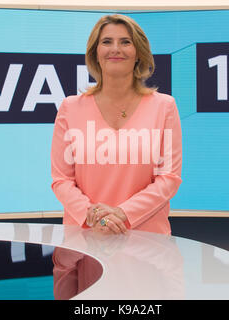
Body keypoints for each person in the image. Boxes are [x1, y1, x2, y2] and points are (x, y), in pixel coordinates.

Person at [50, 14, 182, 237]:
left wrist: (123, 213)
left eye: (125, 42)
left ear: (138, 53)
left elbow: (169, 178)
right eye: (107, 42)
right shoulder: (70, 108)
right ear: (95, 53)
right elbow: (61, 180)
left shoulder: (165, 106)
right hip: (85, 238)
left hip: (147, 242)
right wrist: (93, 215)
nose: (116, 49)